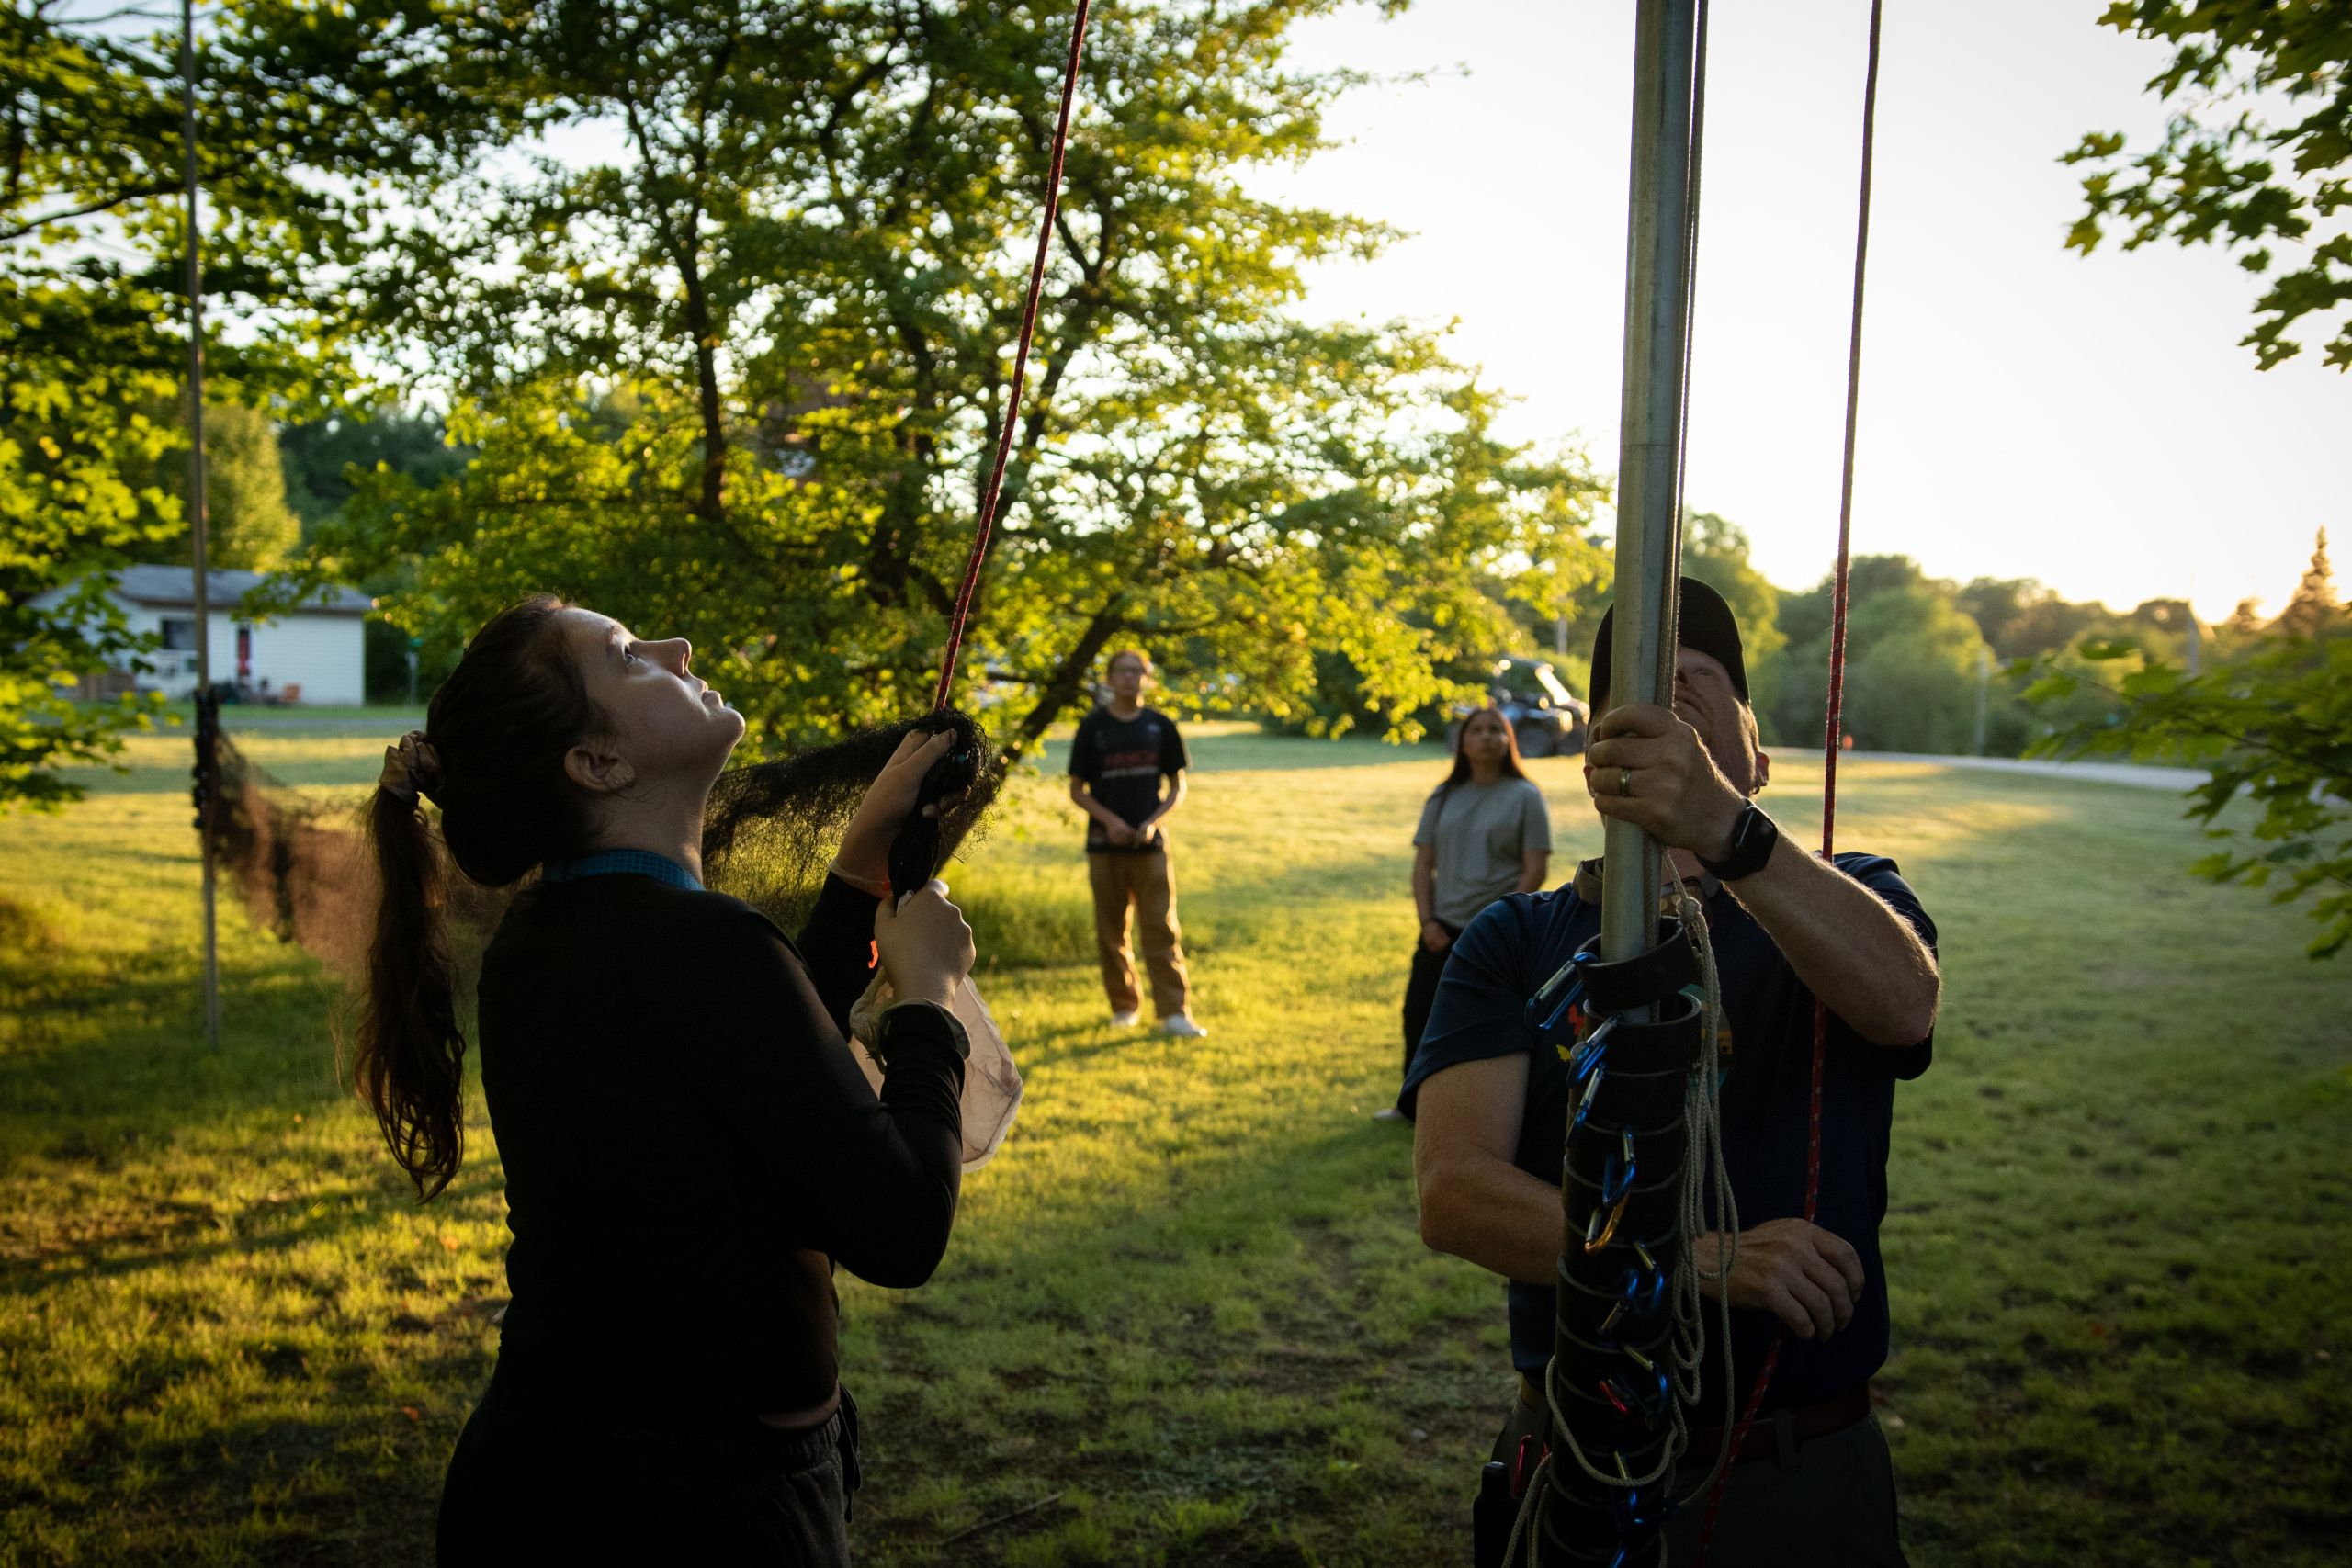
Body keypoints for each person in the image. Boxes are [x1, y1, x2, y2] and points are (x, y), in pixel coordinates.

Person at [355, 594, 978, 1566]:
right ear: (597, 763)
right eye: (627, 656)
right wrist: (931, 1000)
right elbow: (900, 1223)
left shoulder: (550, 935)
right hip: (701, 1513)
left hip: (549, 1474)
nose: (676, 645)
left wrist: (859, 873)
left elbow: (755, 1074)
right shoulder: (698, 948)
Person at [1405, 577, 1941, 1567]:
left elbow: (1905, 1007)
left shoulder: (1851, 892)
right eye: (1640, 688)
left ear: (1758, 756)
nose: (1671, 691)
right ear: (1594, 759)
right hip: (1573, 1459)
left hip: (1798, 1475)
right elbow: (1454, 1197)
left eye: (1702, 680)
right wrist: (1698, 1259)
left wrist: (1727, 830)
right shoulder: (1514, 938)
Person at [1383, 708, 1552, 1122]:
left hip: (1497, 931)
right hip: (1442, 930)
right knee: (1419, 1014)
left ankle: (1491, 1112)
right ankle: (1412, 1109)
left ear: (1509, 740)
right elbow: (1424, 865)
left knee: (1494, 1025)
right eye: (1476, 730)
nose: (1487, 737)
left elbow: (1535, 867)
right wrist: (1428, 922)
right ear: (1462, 742)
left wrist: (1501, 918)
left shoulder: (1526, 797)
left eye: (1497, 730)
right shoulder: (1443, 797)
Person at [1066, 648, 1205, 1037]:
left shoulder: (1160, 726)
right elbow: (1077, 790)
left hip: (1151, 846)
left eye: (1137, 671)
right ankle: (1124, 1007)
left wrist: (1151, 823)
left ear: (1147, 678)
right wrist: (1110, 822)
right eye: (1122, 671)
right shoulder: (1093, 727)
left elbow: (1178, 787)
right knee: (1111, 931)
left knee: (1160, 928)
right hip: (1102, 846)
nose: (1129, 678)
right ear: (1109, 678)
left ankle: (1175, 1013)